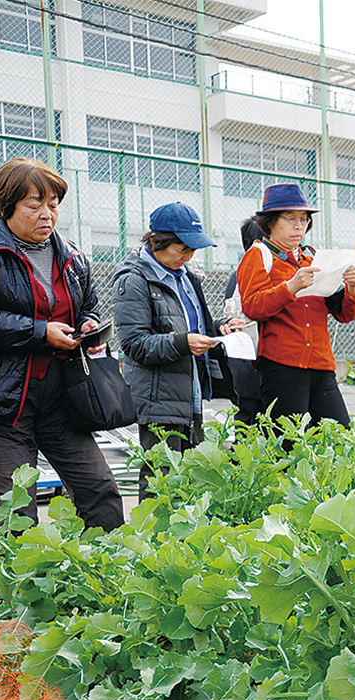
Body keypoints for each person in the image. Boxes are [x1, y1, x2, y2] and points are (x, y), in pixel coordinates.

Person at [0, 157, 123, 534]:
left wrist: (89, 324)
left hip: (63, 398)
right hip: (3, 404)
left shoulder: (71, 256)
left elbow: (88, 304)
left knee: (100, 490)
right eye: (34, 204)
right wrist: (40, 332)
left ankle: (104, 581)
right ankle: (17, 592)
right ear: (6, 206)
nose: (47, 214)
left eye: (53, 205)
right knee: (14, 513)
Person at [112, 202, 237, 499]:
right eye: (182, 249)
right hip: (157, 396)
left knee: (191, 479)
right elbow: (133, 344)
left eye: (192, 250)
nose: (188, 256)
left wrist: (220, 328)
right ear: (156, 242)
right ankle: (154, 545)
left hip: (188, 391)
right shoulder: (133, 279)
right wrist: (183, 343)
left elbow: (196, 325)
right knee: (162, 484)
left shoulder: (187, 276)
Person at [236, 183, 355, 426]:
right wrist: (291, 287)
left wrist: (353, 288)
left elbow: (345, 314)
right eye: (291, 218)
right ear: (270, 222)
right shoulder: (259, 254)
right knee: (288, 446)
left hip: (322, 363)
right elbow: (253, 306)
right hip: (282, 365)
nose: (299, 226)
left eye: (304, 220)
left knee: (338, 436)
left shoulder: (312, 258)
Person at [221, 218, 266, 425]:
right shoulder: (253, 274)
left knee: (248, 424)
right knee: (253, 425)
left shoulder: (238, 274)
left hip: (242, 367)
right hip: (252, 367)